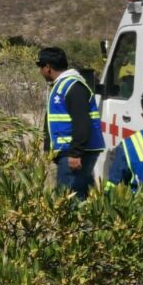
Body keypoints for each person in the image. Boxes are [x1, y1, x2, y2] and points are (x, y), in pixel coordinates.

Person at [40, 47, 104, 199]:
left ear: (48, 67)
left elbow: (82, 123)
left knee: (69, 199)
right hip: (68, 152)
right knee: (80, 196)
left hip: (74, 154)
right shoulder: (61, 85)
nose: (39, 71)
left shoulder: (73, 87)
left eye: (40, 67)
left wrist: (75, 153)